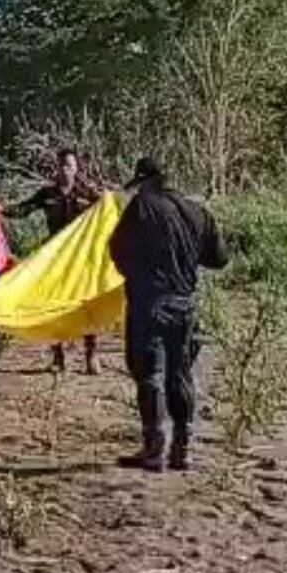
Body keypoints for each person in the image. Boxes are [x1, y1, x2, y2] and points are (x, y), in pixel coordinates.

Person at [106, 156, 229, 472]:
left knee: (150, 374)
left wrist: (140, 273)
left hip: (150, 303)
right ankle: (182, 448)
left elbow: (116, 250)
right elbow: (219, 258)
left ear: (146, 182)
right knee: (181, 373)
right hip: (185, 305)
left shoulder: (142, 206)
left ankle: (154, 446)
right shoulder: (197, 211)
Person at [0, 149, 103, 374]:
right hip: (55, 259)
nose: (65, 169)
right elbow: (24, 209)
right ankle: (58, 357)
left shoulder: (86, 192)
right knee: (54, 306)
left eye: (69, 165)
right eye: (62, 165)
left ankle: (91, 355)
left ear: (76, 168)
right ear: (57, 167)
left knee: (87, 306)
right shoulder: (47, 193)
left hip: (80, 258)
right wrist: (2, 211)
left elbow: (106, 210)